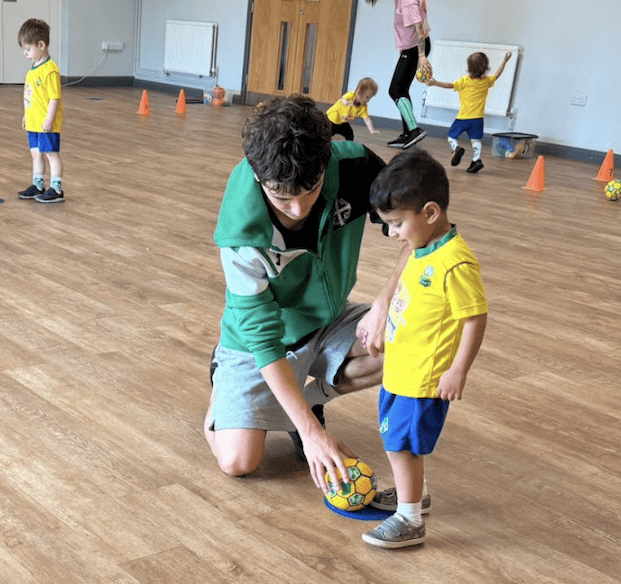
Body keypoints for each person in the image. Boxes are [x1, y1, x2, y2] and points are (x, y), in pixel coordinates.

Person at [205, 94, 411, 494]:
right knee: (238, 462)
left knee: (415, 340)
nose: (298, 209)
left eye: (311, 190)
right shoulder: (241, 230)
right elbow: (263, 338)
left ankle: (308, 400)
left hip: (328, 320)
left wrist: (385, 300)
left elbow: (420, 231)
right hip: (258, 341)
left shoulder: (355, 166)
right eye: (282, 197)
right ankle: (223, 393)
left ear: (326, 160)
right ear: (258, 175)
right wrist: (312, 433)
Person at [361, 148, 488, 548]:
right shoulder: (423, 246)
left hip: (423, 379)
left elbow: (475, 318)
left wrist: (458, 370)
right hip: (402, 369)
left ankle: (410, 519)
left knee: (400, 445)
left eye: (397, 224)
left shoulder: (455, 263)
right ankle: (414, 495)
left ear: (430, 212)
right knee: (399, 443)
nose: (392, 234)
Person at [426, 51, 512, 173]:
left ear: (469, 68)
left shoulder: (464, 81)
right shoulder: (486, 81)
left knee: (451, 136)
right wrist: (504, 61)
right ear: (485, 68)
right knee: (475, 140)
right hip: (478, 119)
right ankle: (476, 160)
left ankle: (456, 148)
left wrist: (435, 83)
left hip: (463, 118)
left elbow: (450, 85)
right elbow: (497, 75)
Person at [365, 0, 431, 149]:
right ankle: (408, 134)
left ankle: (414, 130)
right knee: (402, 90)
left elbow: (419, 28)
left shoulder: (406, 2)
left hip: (414, 49)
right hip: (413, 48)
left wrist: (421, 56)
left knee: (395, 90)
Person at [17, 18, 65, 204]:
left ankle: (56, 189)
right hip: (34, 122)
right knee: (36, 153)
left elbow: (54, 98)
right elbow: (31, 97)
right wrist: (26, 115)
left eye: (28, 49)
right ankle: (38, 185)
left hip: (46, 124)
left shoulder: (50, 70)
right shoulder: (32, 70)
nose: (25, 54)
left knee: (51, 154)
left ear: (41, 45)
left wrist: (49, 121)